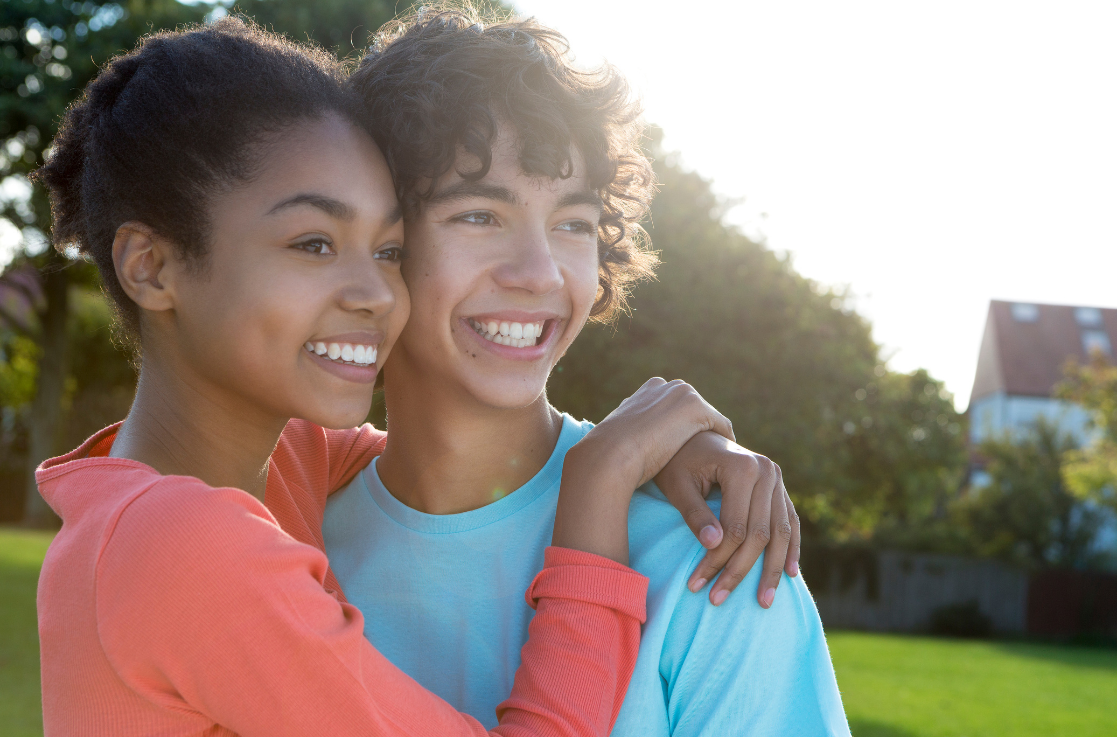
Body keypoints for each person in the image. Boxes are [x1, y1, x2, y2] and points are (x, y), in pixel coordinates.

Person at [32, 18, 751, 736]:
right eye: (313, 242)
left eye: (387, 249)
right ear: (150, 267)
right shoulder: (185, 543)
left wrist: (672, 442)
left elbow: (441, 451)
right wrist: (602, 480)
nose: (376, 293)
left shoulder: (267, 464)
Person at [322, 8, 853, 736]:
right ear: (378, 241)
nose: (541, 274)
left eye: (572, 223)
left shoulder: (709, 556)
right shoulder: (286, 538)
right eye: (479, 214)